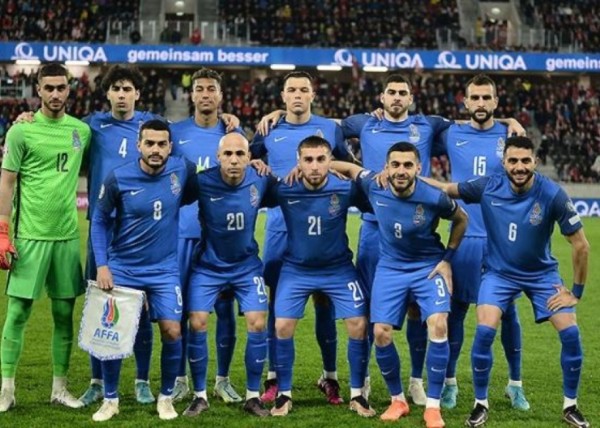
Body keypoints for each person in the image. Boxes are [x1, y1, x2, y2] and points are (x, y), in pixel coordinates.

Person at [258, 73, 525, 404]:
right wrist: (281, 116)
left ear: (411, 98)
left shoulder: (428, 125)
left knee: (418, 309)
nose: (397, 97)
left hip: (418, 228)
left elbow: (472, 118)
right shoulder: (363, 123)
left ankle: (415, 381)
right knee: (369, 306)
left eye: (403, 92)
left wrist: (507, 120)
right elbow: (324, 125)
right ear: (381, 98)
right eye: (391, 92)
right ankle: (363, 380)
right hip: (374, 228)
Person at [423, 136, 590, 428]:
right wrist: (410, 176)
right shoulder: (489, 185)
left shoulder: (552, 194)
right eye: (513, 161)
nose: (519, 166)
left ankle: (570, 406)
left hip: (542, 275)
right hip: (499, 274)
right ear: (504, 163)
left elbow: (581, 245)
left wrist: (575, 292)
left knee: (571, 334)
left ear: (536, 162)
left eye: (525, 160)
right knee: (484, 331)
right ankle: (480, 404)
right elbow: (447, 188)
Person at [330, 142, 468, 428]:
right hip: (391, 267)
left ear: (418, 167)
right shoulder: (374, 184)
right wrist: (318, 166)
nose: (401, 171)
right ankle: (398, 400)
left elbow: (461, 219)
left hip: (428, 266)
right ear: (386, 167)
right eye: (395, 165)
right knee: (380, 332)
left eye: (407, 165)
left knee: (439, 324)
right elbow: (350, 168)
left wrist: (447, 259)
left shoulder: (433, 196)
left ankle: (432, 407)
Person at [250, 71, 351, 404]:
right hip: (280, 229)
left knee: (324, 302)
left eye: (303, 89)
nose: (297, 94)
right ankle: (274, 377)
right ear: (282, 95)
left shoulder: (330, 128)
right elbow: (249, 159)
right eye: (291, 89)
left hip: (323, 230)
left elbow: (349, 166)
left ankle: (330, 377)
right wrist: (257, 164)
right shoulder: (268, 129)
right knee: (276, 304)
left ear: (312, 94)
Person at [90, 119, 197, 421]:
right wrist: (102, 265)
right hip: (123, 268)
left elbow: (209, 182)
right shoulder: (118, 177)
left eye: (162, 144)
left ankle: (165, 397)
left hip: (164, 269)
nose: (155, 149)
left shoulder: (182, 169)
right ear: (139, 145)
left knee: (173, 330)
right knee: (113, 334)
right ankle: (110, 399)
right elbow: (99, 220)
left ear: (170, 147)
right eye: (149, 143)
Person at [0, 63, 92, 412]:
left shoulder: (81, 131)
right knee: (17, 313)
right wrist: (2, 231)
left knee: (64, 315)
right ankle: (7, 389)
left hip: (67, 238)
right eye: (48, 87)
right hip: (30, 237)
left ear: (70, 89)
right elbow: (6, 182)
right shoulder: (21, 131)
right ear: (37, 89)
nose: (55, 94)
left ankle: (60, 389)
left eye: (61, 87)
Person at [435, 74, 528, 410]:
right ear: (465, 102)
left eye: (487, 98)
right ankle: (450, 384)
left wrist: (510, 120)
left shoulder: (509, 135)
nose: (480, 103)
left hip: (501, 240)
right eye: (474, 97)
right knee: (456, 311)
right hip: (464, 236)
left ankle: (515, 385)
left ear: (495, 102)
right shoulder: (451, 133)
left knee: (508, 312)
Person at [267, 136, 374, 418]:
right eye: (308, 160)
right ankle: (284, 394)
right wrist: (256, 164)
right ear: (298, 162)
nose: (314, 166)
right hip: (296, 270)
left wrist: (352, 169)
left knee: (358, 324)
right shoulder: (284, 189)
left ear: (330, 161)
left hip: (338, 269)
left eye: (320, 159)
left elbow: (380, 197)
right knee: (282, 325)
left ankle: (357, 395)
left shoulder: (346, 188)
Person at [182, 133, 275, 418]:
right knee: (197, 321)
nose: (234, 160)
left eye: (240, 154)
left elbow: (296, 189)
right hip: (208, 267)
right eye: (228, 154)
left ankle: (252, 396)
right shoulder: (201, 181)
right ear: (218, 157)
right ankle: (199, 396)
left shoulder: (262, 179)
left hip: (246, 266)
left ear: (250, 158)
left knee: (257, 322)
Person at [171, 67, 245, 404]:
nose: (205, 94)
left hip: (222, 239)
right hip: (183, 235)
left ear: (220, 95)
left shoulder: (233, 134)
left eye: (211, 89)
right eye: (199, 88)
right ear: (192, 95)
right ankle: (181, 379)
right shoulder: (175, 133)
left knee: (225, 310)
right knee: (182, 311)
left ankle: (222, 380)